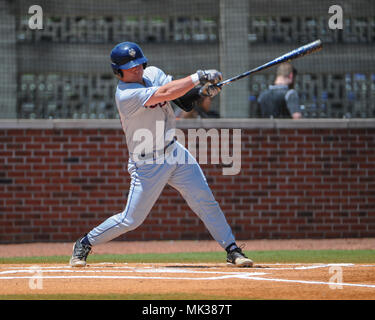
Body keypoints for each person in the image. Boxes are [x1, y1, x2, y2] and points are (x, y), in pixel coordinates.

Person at [69, 42, 253, 268]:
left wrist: (201, 92)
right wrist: (199, 77)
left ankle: (232, 249)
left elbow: (180, 99)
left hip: (174, 151)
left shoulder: (153, 73)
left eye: (138, 64)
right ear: (118, 71)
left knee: (205, 201)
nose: (136, 68)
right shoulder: (126, 95)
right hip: (148, 163)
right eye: (130, 66)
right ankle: (85, 242)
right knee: (131, 220)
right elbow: (165, 93)